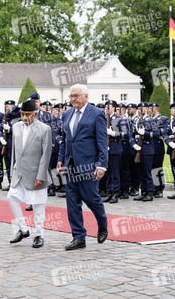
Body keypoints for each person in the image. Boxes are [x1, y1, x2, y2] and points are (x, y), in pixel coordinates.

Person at [57, 84, 109, 250]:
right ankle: (78, 237)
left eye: (76, 96)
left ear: (86, 96)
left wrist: (102, 164)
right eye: (71, 96)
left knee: (91, 198)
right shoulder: (66, 114)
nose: (73, 99)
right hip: (70, 165)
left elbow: (102, 141)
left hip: (88, 165)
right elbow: (66, 140)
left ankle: (102, 222)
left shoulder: (97, 114)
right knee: (72, 202)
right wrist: (60, 160)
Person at [8, 99, 52, 248]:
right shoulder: (16, 127)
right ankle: (23, 229)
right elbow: (14, 151)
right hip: (19, 171)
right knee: (11, 197)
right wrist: (12, 171)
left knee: (38, 205)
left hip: (35, 173)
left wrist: (41, 176)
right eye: (22, 114)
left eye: (28, 114)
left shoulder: (44, 129)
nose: (25, 117)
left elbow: (46, 155)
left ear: (35, 114)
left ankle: (39, 235)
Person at [130, 102, 159, 202]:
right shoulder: (136, 121)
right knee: (140, 172)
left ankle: (149, 192)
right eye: (138, 108)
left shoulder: (150, 120)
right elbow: (131, 134)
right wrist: (133, 144)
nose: (139, 110)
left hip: (147, 149)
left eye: (140, 108)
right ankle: (143, 192)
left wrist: (145, 133)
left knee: (147, 172)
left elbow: (156, 134)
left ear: (146, 109)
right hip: (137, 149)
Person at [150, 102, 169, 198]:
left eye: (151, 108)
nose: (150, 110)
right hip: (149, 146)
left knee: (157, 168)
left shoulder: (163, 119)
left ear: (156, 109)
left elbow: (165, 131)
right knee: (150, 168)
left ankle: (159, 188)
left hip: (158, 146)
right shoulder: (148, 119)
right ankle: (152, 187)